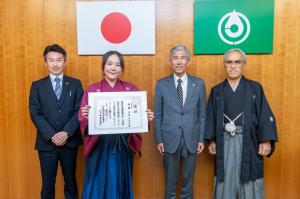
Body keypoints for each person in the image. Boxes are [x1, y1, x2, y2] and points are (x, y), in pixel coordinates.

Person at [78, 50, 154, 199]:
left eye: (118, 65)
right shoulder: (92, 90)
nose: (113, 68)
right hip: (98, 146)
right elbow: (82, 119)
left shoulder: (131, 89)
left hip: (121, 146)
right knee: (97, 183)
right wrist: (86, 116)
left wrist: (145, 118)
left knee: (119, 182)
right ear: (103, 66)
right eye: (109, 63)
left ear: (121, 68)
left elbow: (137, 117)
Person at [205, 48, 278, 199]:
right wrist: (212, 140)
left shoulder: (255, 88)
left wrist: (266, 140)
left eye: (237, 62)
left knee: (249, 175)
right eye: (229, 62)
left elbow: (265, 114)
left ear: (243, 64)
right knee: (224, 176)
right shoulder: (217, 91)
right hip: (224, 140)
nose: (233, 66)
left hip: (249, 140)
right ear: (224, 64)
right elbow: (211, 116)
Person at [29, 44, 83, 199]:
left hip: (70, 141)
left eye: (59, 60)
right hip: (46, 143)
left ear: (64, 62)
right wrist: (53, 135)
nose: (55, 64)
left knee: (71, 182)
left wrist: (66, 132)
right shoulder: (37, 86)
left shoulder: (75, 84)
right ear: (45, 62)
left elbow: (80, 110)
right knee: (47, 184)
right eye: (51, 60)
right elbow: (35, 113)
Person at [154, 45, 206, 199]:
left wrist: (201, 138)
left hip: (192, 138)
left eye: (182, 58)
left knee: (187, 184)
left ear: (188, 62)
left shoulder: (199, 84)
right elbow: (157, 114)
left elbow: (202, 114)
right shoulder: (161, 84)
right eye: (175, 58)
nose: (179, 62)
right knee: (170, 183)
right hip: (169, 139)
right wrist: (159, 139)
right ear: (170, 62)